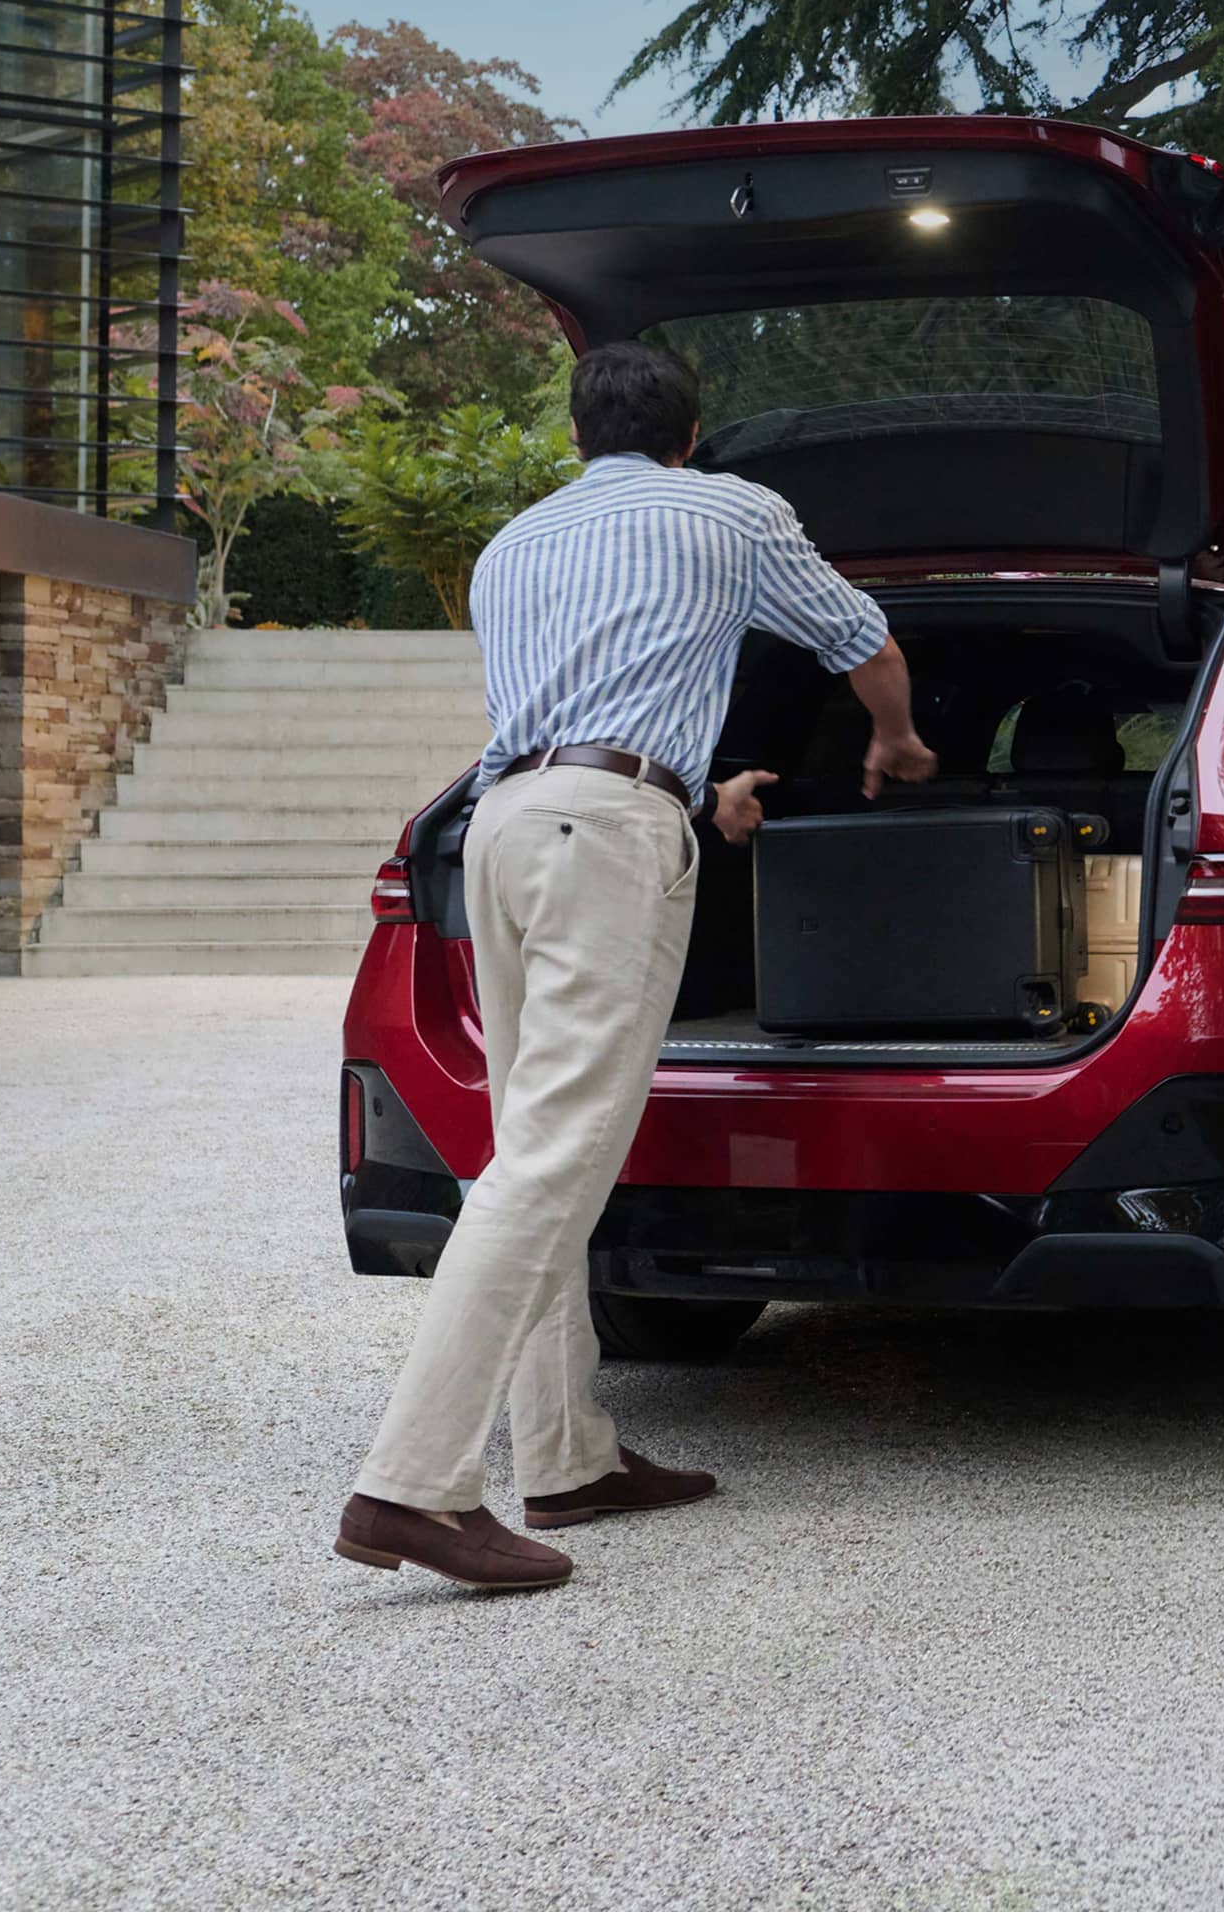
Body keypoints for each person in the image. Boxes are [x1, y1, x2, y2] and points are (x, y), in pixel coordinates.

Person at [334, 341, 936, 1592]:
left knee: (527, 1143)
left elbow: (572, 717)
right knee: (555, 1160)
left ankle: (566, 1456)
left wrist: (694, 785)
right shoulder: (730, 509)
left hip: (501, 829)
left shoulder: (516, 543)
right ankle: (411, 1486)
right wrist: (899, 741)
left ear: (573, 436)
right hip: (604, 836)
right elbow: (861, 639)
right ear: (692, 431)